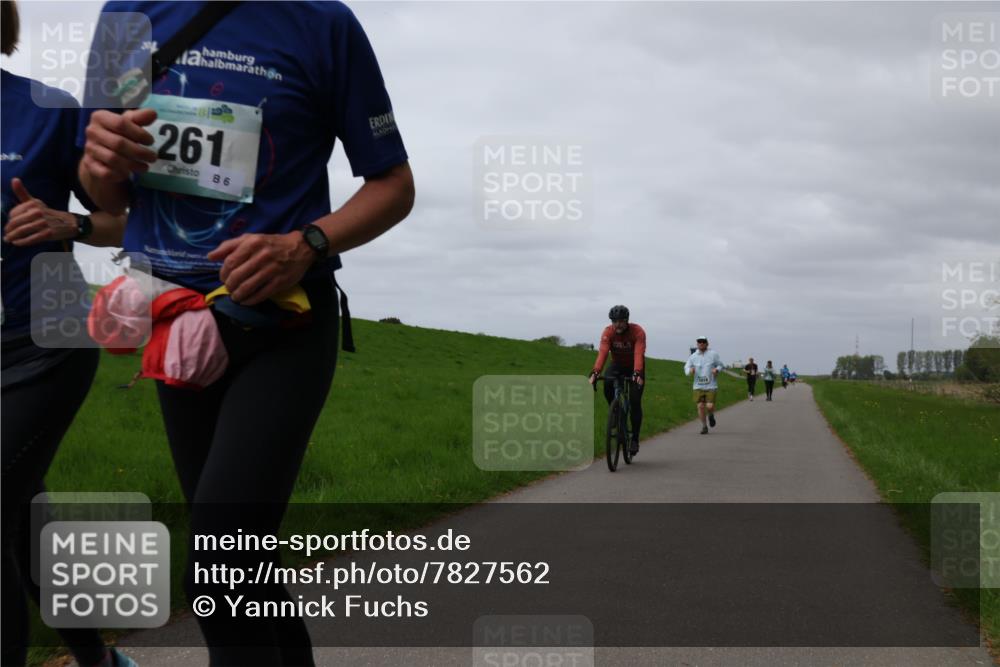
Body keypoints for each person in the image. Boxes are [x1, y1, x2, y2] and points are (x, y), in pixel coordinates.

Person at [77, 2, 414, 665]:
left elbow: (395, 184)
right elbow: (106, 197)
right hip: (174, 321)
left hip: (282, 319)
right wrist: (99, 161)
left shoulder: (324, 23)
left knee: (219, 564)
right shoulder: (126, 15)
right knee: (245, 558)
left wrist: (308, 241)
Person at [1, 3, 134, 666]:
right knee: (23, 522)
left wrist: (67, 224)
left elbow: (121, 220)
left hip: (42, 339)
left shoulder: (47, 111)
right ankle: (99, 659)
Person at [588, 305, 646, 456]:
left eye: (621, 321)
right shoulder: (608, 332)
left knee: (634, 401)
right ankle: (615, 411)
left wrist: (637, 373)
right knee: (607, 383)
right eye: (614, 321)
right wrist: (595, 372)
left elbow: (639, 353)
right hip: (617, 364)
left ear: (627, 320)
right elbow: (603, 353)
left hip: (635, 366)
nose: (617, 324)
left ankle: (634, 439)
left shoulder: (637, 331)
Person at [684, 336, 724, 435]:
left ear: (707, 343)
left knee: (709, 406)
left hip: (711, 385)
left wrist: (716, 370)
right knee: (701, 406)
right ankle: (704, 426)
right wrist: (690, 371)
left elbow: (721, 365)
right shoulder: (693, 356)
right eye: (699, 342)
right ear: (697, 344)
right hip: (698, 386)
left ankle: (711, 415)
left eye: (703, 342)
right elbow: (686, 367)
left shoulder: (713, 354)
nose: (701, 343)